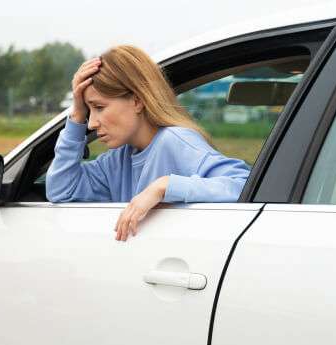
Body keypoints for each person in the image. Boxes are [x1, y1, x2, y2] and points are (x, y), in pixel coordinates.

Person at [47, 45, 251, 241]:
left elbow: (243, 185)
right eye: (88, 111)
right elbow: (61, 190)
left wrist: (165, 186)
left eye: (99, 107)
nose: (90, 123)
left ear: (137, 101)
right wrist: (76, 114)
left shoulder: (174, 140)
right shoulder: (116, 160)